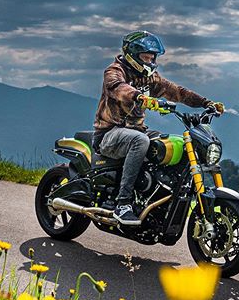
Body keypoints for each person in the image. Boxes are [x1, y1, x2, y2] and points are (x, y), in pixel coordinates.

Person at [93, 31, 224, 225]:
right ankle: (123, 204)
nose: (151, 61)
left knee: (174, 142)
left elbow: (177, 92)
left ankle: (158, 197)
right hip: (109, 133)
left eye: (153, 57)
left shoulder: (150, 78)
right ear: (133, 55)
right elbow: (118, 88)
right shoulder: (115, 71)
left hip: (136, 130)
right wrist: (140, 97)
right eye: (146, 57)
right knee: (140, 141)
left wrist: (207, 103)